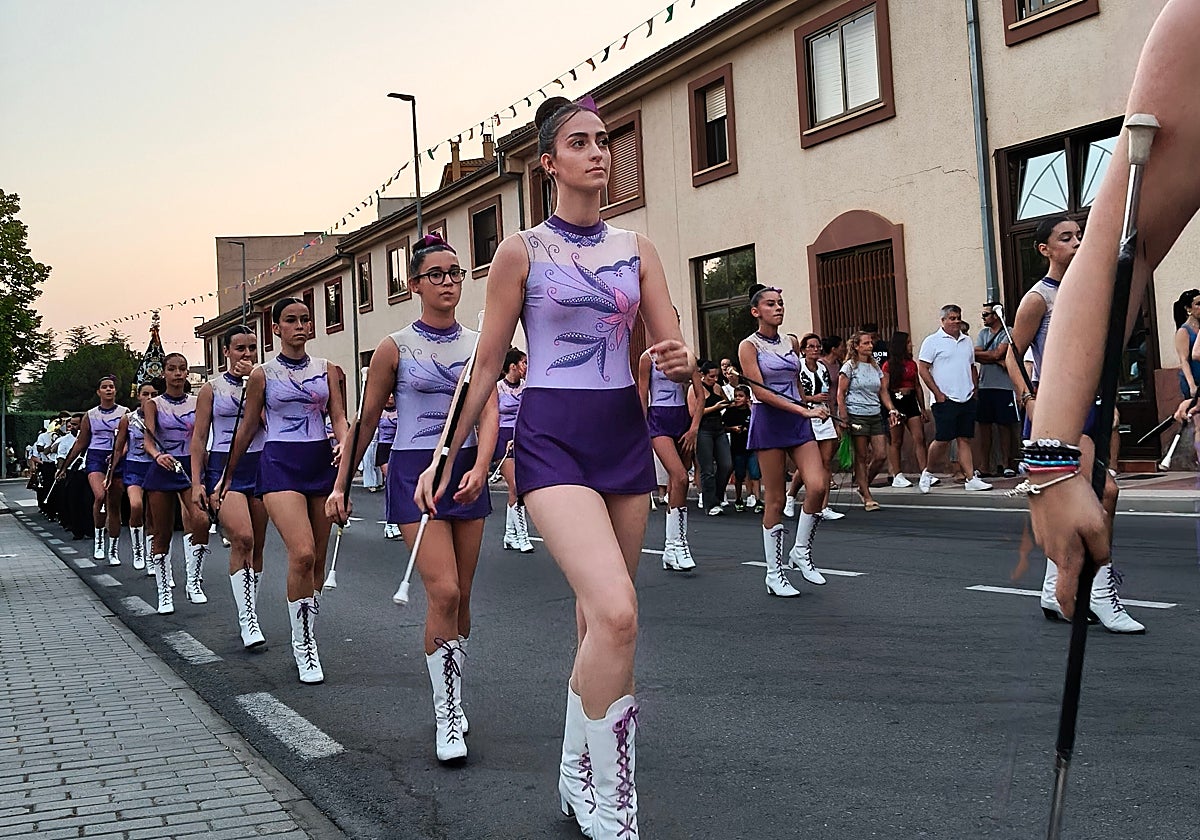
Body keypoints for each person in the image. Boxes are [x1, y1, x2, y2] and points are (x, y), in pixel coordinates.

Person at [414, 95, 695, 840]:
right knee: (618, 614)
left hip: (621, 438)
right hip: (551, 439)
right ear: (550, 163)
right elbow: (485, 364)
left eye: (604, 141)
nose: (599, 152)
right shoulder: (522, 251)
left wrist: (683, 362)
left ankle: (576, 774)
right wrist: (449, 454)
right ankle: (614, 803)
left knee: (599, 629)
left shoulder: (639, 248)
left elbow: (673, 349)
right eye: (581, 142)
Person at [330, 234, 495, 761]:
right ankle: (446, 713)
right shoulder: (394, 347)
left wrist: (483, 465)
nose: (449, 282)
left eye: (455, 272)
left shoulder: (478, 343)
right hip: (411, 470)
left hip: (465, 467)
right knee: (443, 592)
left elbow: (489, 410)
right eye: (437, 274)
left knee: (463, 595)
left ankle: (455, 691)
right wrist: (341, 485)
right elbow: (369, 418)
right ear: (415, 283)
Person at [1004, 215, 1142, 632]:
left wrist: (1107, 399)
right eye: (1066, 238)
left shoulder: (1088, 289)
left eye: (1079, 236)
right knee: (1107, 494)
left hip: (1091, 405)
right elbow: (1012, 354)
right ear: (1045, 249)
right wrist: (1030, 400)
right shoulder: (1038, 298)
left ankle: (1053, 589)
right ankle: (1100, 594)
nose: (1077, 243)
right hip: (1057, 410)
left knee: (1085, 502)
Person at [225, 297, 348, 682]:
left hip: (320, 464)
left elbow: (340, 416)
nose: (300, 326)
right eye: (291, 320)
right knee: (302, 553)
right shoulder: (263, 375)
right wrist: (226, 476)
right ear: (276, 328)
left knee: (317, 563)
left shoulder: (328, 370)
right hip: (279, 464)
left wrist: (344, 448)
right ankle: (304, 647)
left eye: (305, 319)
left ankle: (307, 630)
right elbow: (247, 428)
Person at [738, 284, 830, 596]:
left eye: (780, 303)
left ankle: (800, 552)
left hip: (797, 418)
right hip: (770, 421)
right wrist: (802, 411)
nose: (778, 308)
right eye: (770, 304)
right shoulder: (748, 346)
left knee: (818, 484)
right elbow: (760, 392)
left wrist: (810, 406)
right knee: (775, 500)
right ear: (756, 311)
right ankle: (773, 573)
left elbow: (795, 383)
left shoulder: (791, 341)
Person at [191, 326, 269, 650]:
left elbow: (270, 421)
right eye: (240, 348)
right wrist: (197, 481)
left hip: (262, 465)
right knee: (243, 538)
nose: (247, 354)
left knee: (259, 547)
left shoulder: (265, 382)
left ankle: (251, 608)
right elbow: (197, 438)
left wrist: (255, 386)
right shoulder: (212, 389)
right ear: (226, 352)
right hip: (226, 468)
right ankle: (247, 620)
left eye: (252, 348)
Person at [142, 354, 211, 614]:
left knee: (201, 521)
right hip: (163, 468)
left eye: (182, 368)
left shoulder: (198, 401)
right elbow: (148, 439)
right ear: (164, 373)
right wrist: (158, 455)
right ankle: (164, 593)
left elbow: (204, 435)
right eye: (172, 369)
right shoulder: (154, 404)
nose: (178, 374)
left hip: (190, 468)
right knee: (162, 532)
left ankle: (193, 581)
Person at [637, 327, 701, 570]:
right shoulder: (647, 358)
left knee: (678, 484)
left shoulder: (686, 355)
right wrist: (642, 431)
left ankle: (672, 546)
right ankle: (678, 544)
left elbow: (700, 393)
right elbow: (643, 395)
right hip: (658, 420)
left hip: (682, 419)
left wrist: (694, 427)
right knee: (681, 477)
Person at [916, 306, 992, 494]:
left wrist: (975, 388)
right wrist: (937, 392)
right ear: (943, 321)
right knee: (943, 439)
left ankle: (970, 478)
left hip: (966, 396)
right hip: (945, 398)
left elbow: (971, 366)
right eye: (951, 318)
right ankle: (928, 472)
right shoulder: (932, 341)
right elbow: (923, 368)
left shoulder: (966, 341)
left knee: (964, 438)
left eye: (958, 318)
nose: (956, 321)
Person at [58, 375, 129, 565]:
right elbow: (81, 443)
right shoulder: (90, 415)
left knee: (114, 505)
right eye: (104, 387)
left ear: (115, 391)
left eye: (111, 387)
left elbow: (127, 442)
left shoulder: (124, 413)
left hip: (117, 459)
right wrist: (65, 465)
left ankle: (113, 549)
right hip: (96, 458)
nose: (108, 390)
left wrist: (117, 456)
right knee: (99, 495)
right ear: (98, 392)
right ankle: (98, 539)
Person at [839, 331, 900, 511]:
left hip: (874, 413)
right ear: (856, 346)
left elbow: (882, 391)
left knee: (880, 454)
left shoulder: (875, 367)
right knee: (861, 455)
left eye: (870, 343)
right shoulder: (849, 367)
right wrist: (844, 417)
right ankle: (866, 495)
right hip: (856, 413)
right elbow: (840, 394)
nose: (870, 346)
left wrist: (891, 409)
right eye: (865, 343)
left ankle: (863, 483)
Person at [787, 333, 845, 521]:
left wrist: (835, 419)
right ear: (803, 350)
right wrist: (812, 399)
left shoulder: (822, 368)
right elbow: (794, 394)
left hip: (824, 414)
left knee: (825, 462)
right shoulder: (798, 367)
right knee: (809, 463)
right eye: (810, 346)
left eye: (817, 346)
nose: (815, 349)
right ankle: (791, 496)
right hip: (807, 414)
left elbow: (830, 395)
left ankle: (823, 506)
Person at [113, 382, 159, 573]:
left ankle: (151, 556)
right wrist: (111, 470)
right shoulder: (128, 419)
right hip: (133, 467)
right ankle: (137, 549)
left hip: (154, 467)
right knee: (136, 505)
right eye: (145, 394)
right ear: (138, 396)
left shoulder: (160, 416)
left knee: (153, 516)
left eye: (153, 394)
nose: (149, 397)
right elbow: (120, 446)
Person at [974, 307, 1019, 477]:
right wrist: (994, 357)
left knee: (1004, 426)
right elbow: (975, 353)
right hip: (985, 385)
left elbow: (999, 353)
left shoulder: (1009, 332)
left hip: (1004, 386)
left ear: (996, 315)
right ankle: (985, 465)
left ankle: (1006, 464)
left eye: (986, 314)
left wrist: (992, 356)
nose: (983, 317)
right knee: (984, 426)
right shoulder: (983, 333)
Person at [498, 348, 535, 553]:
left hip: (521, 437)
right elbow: (490, 418)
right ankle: (522, 536)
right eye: (523, 363)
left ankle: (509, 535)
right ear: (512, 366)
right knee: (516, 486)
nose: (526, 367)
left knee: (516, 487)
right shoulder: (497, 389)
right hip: (503, 439)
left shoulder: (526, 387)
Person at [882, 331, 930, 489]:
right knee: (896, 440)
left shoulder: (912, 364)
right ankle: (897, 474)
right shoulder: (888, 365)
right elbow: (884, 388)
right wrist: (891, 408)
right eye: (908, 343)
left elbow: (917, 386)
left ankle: (925, 471)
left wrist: (922, 407)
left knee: (919, 437)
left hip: (910, 401)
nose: (911, 345)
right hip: (896, 400)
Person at [693, 361, 733, 516]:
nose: (715, 379)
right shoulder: (695, 389)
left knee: (727, 464)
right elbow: (693, 412)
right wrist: (715, 408)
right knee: (707, 468)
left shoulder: (718, 387)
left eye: (717, 376)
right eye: (711, 376)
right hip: (704, 429)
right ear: (703, 375)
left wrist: (730, 404)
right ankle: (710, 503)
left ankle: (716, 494)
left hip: (718, 427)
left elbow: (725, 402)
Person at [723, 385, 759, 512]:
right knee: (739, 475)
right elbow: (723, 425)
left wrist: (750, 406)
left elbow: (757, 421)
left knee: (755, 474)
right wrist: (732, 429)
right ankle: (739, 498)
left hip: (751, 447)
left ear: (747, 398)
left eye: (741, 396)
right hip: (738, 448)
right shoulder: (731, 412)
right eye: (736, 396)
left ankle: (758, 499)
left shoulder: (751, 411)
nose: (737, 399)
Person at [376, 393, 400, 538]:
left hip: (397, 448)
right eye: (388, 394)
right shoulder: (379, 410)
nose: (390, 397)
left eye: (392, 394)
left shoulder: (401, 410)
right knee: (392, 483)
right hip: (384, 449)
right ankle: (391, 522)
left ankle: (394, 521)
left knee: (397, 485)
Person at [1172, 288, 1200, 398]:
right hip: (1193, 379)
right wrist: (1192, 385)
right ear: (1189, 309)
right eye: (1198, 304)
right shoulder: (1184, 331)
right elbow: (1184, 360)